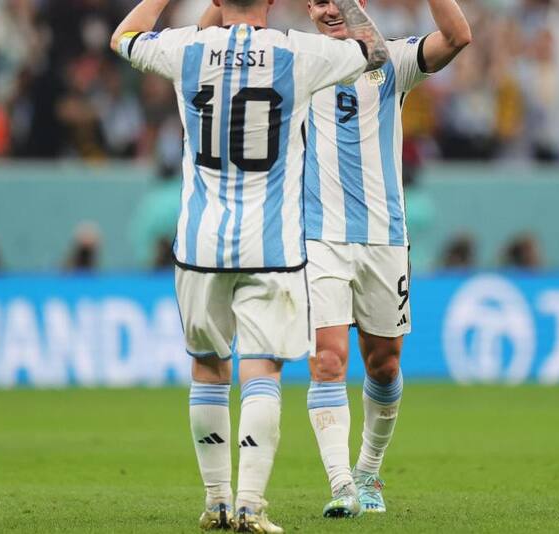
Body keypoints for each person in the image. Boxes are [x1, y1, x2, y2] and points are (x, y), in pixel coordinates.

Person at [111, 1, 388, 531]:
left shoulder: (185, 48)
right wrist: (347, 4)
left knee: (208, 368)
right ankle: (249, 505)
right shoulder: (299, 52)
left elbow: (125, 35)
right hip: (272, 247)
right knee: (262, 370)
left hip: (200, 241)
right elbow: (374, 52)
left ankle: (215, 501)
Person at [301, 0, 470, 518]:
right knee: (328, 361)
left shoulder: (393, 62)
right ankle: (340, 486)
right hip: (319, 238)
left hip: (384, 240)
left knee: (384, 363)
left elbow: (458, 35)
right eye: (316, 1)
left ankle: (369, 471)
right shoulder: (296, 60)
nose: (328, 9)